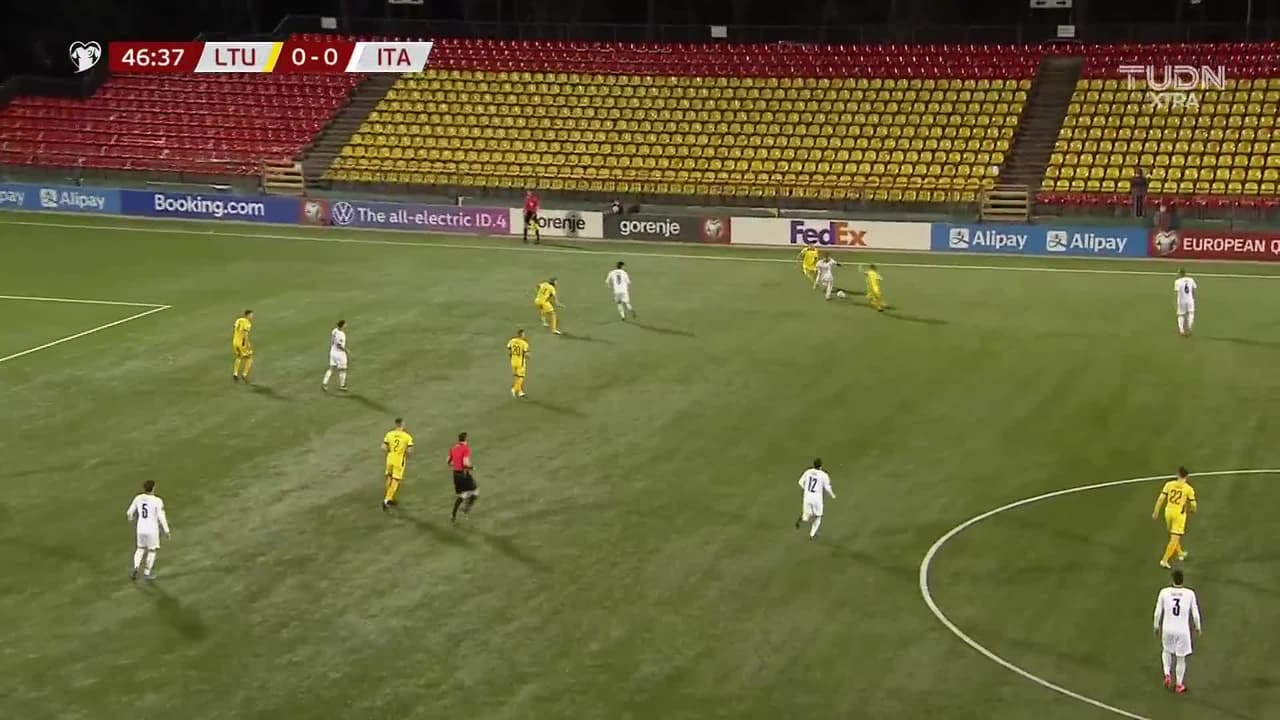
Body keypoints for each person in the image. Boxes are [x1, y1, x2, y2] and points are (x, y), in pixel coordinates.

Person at [1153, 568, 1201, 693]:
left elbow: (1158, 612)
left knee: (1166, 650)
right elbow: (1195, 613)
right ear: (1183, 580)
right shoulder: (1189, 593)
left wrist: (1156, 626)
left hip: (1167, 629)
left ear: (1173, 579)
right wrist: (1198, 627)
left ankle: (1167, 673)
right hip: (1182, 630)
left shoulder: (1164, 592)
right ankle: (1179, 685)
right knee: (1181, 658)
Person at [1152, 466, 1197, 568]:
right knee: (1175, 537)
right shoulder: (1188, 489)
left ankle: (1180, 553)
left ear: (1177, 475)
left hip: (1168, 512)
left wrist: (1156, 511)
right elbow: (1193, 504)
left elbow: (1161, 498)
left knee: (1173, 535)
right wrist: (1193, 510)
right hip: (1179, 514)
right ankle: (1164, 560)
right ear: (1187, 476)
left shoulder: (1169, 484)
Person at [126, 480, 170, 581]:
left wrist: (131, 520)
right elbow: (161, 516)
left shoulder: (138, 498)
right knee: (151, 550)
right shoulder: (157, 500)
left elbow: (129, 513)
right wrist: (166, 530)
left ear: (144, 488)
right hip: (152, 529)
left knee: (140, 548)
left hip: (140, 528)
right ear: (153, 488)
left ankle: (136, 566)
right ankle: (147, 573)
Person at [794, 458, 836, 539]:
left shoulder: (808, 472)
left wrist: (806, 490)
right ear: (821, 466)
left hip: (807, 497)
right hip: (817, 499)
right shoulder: (824, 475)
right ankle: (812, 535)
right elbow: (827, 487)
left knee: (807, 516)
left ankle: (802, 519)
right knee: (818, 516)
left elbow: (800, 482)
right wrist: (832, 495)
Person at [382, 418, 414, 511]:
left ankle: (390, 497)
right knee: (395, 480)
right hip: (399, 460)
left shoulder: (389, 434)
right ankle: (386, 500)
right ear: (402, 424)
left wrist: (390, 452)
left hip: (390, 458)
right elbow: (410, 450)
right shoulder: (407, 436)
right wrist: (405, 455)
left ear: (396, 424)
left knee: (389, 478)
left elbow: (383, 447)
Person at [448, 432, 478, 523]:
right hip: (463, 474)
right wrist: (471, 467)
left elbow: (448, 461)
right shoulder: (465, 448)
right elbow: (465, 463)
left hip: (455, 475)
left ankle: (453, 514)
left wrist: (456, 465)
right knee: (475, 491)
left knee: (462, 495)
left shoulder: (453, 448)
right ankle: (466, 509)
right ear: (466, 439)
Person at [322, 320, 349, 391]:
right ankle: (342, 386)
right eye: (345, 324)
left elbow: (332, 341)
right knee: (343, 370)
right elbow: (339, 345)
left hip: (333, 352)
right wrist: (346, 350)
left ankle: (324, 383)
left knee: (331, 368)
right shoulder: (341, 334)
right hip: (339, 354)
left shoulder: (334, 330)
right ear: (342, 325)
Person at [231, 309, 254, 383]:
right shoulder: (247, 323)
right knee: (250, 357)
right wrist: (247, 344)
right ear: (247, 315)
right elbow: (245, 334)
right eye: (251, 315)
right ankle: (244, 374)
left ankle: (235, 373)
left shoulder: (238, 320)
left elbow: (234, 328)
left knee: (239, 356)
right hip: (242, 343)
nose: (252, 316)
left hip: (235, 342)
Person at [506, 329, 530, 398]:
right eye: (524, 334)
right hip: (520, 363)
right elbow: (526, 354)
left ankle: (520, 391)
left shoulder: (512, 341)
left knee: (516, 376)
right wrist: (528, 356)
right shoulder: (524, 343)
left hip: (513, 361)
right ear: (522, 335)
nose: (524, 335)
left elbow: (509, 349)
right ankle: (514, 388)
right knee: (521, 377)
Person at [1174, 269, 1197, 338]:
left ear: (1180, 273)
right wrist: (1193, 298)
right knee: (1191, 313)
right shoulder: (1191, 279)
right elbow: (1194, 290)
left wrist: (1175, 302)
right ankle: (1190, 326)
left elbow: (1176, 292)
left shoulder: (1177, 281)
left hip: (1181, 301)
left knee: (1181, 315)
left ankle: (1181, 330)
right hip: (1190, 300)